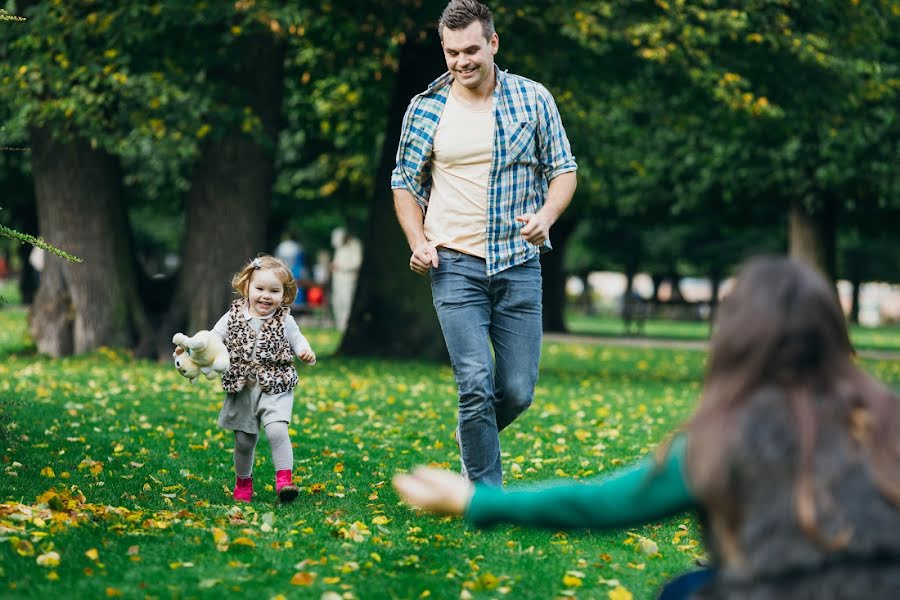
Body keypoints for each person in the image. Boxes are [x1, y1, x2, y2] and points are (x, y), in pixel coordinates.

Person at [394, 256, 900, 598]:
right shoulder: (889, 418)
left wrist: (473, 499)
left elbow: (600, 503)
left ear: (738, 336)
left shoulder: (725, 438)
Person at [390, 0, 578, 487]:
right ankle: (486, 498)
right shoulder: (425, 108)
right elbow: (405, 183)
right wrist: (417, 240)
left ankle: (473, 434)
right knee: (474, 385)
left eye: (472, 49)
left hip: (518, 264)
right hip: (454, 264)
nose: (462, 61)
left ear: (493, 43)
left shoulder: (533, 99)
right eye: (452, 52)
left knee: (516, 391)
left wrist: (546, 216)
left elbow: (563, 170)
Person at [208, 254, 317, 503]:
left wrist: (303, 351)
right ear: (247, 287)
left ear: (284, 294)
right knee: (244, 441)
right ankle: (244, 483)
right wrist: (195, 349)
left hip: (275, 383)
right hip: (243, 385)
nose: (266, 296)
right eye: (260, 289)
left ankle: (284, 481)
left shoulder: (284, 319)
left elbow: (298, 339)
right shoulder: (233, 315)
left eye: (274, 291)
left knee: (278, 430)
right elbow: (213, 338)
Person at [330, 227, 362, 331]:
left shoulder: (354, 245)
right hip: (337, 278)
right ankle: (340, 326)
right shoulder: (340, 248)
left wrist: (341, 266)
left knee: (347, 302)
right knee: (337, 301)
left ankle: (346, 327)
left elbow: (357, 262)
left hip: (348, 279)